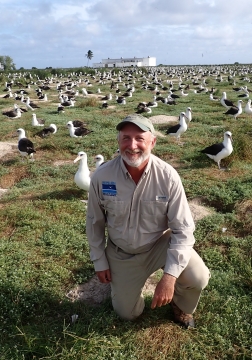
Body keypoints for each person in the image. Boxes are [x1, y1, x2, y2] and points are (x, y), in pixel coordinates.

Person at [86, 114, 210, 328]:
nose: (132, 145)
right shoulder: (102, 176)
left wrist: (170, 276)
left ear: (152, 142)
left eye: (139, 138)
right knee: (127, 313)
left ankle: (181, 306)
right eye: (125, 138)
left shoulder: (168, 176)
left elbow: (183, 229)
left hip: (159, 244)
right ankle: (124, 286)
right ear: (118, 142)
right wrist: (99, 260)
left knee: (198, 277)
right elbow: (94, 223)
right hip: (121, 252)